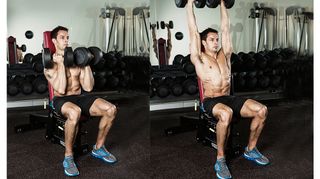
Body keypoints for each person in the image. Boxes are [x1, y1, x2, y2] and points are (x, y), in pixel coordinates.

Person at [186, 0, 270, 178]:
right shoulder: (198, 58)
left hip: (229, 97)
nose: (216, 42)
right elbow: (193, 31)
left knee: (262, 110)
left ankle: (251, 149)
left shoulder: (226, 54)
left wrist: (223, 3)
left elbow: (225, 28)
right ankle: (220, 159)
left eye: (217, 40)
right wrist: (189, 4)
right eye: (212, 40)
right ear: (203, 42)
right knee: (226, 114)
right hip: (211, 101)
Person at [43, 26, 117, 177]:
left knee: (111, 109)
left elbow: (88, 87)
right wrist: (62, 63)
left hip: (80, 96)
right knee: (74, 112)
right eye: (62, 37)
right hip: (60, 100)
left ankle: (99, 148)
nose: (66, 40)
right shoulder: (49, 65)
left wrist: (86, 62)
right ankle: (68, 157)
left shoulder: (77, 61)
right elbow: (61, 90)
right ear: (54, 41)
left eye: (67, 37)